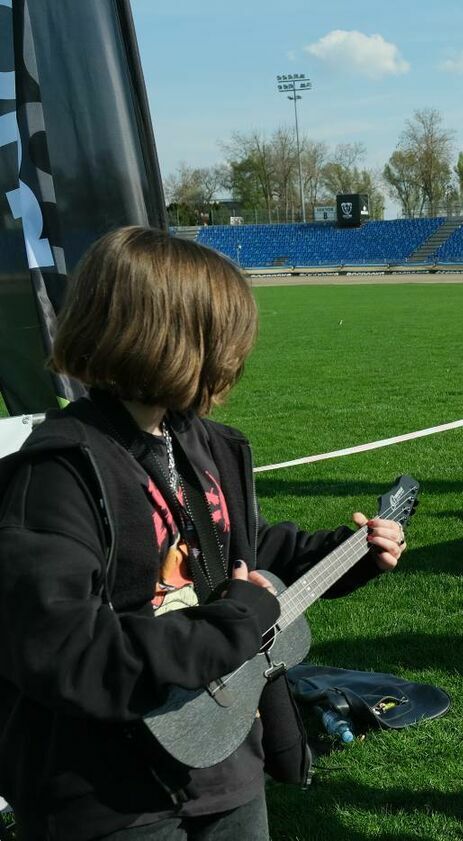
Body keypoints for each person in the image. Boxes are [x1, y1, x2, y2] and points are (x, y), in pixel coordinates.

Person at [0, 227, 406, 841]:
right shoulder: (58, 474)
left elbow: (243, 553)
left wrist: (347, 555)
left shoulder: (204, 443)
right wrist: (233, 624)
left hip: (224, 758)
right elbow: (64, 650)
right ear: (171, 339)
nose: (235, 359)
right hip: (108, 794)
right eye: (224, 339)